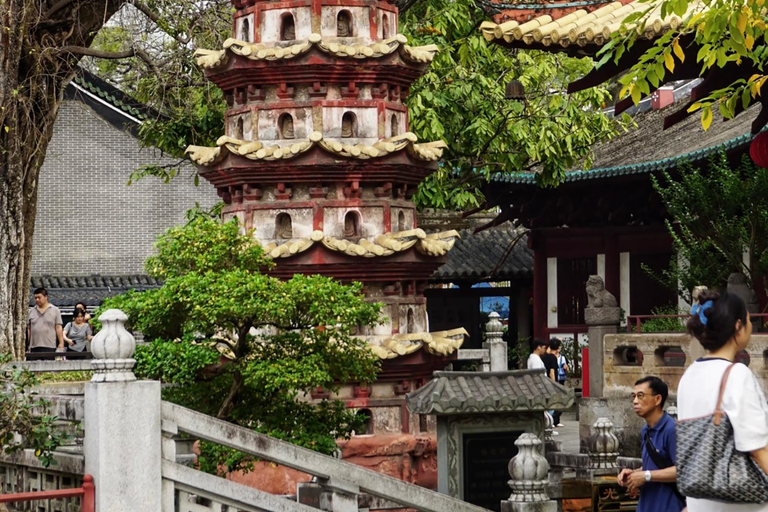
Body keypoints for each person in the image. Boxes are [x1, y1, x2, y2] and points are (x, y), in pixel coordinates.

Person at [677, 291, 768, 512]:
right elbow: (756, 448)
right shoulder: (736, 374)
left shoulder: (689, 375)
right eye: (748, 320)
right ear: (738, 326)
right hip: (740, 501)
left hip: (701, 499)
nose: (750, 325)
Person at [618, 376, 685, 512]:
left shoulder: (671, 429)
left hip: (669, 505)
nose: (635, 401)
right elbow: (655, 465)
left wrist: (646, 475)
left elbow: (682, 470)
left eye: (641, 396)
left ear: (657, 399)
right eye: (634, 396)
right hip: (647, 504)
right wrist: (635, 473)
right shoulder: (645, 431)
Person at [27, 288, 64, 353]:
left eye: (39, 297)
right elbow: (29, 329)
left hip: (49, 346)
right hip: (34, 346)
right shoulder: (31, 311)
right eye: (35, 298)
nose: (37, 300)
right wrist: (28, 344)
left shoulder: (55, 310)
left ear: (46, 297)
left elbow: (58, 327)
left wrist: (61, 343)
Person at [546, 338, 567, 427]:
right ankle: (550, 422)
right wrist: (554, 384)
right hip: (553, 382)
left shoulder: (546, 356)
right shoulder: (552, 357)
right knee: (555, 402)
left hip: (555, 380)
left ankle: (555, 421)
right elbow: (552, 373)